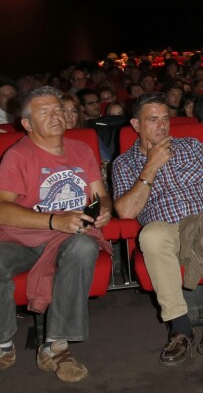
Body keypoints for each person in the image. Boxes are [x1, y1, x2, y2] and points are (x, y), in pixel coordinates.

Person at [111, 93, 203, 367]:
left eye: (165, 118)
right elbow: (127, 211)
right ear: (136, 124)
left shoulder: (191, 146)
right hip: (165, 229)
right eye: (152, 120)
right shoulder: (124, 164)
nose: (162, 126)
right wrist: (151, 165)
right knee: (151, 235)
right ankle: (180, 328)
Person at [0, 86, 114, 382]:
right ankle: (2, 342)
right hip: (23, 239)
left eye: (59, 109)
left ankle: (55, 346)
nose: (56, 116)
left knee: (83, 247)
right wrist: (54, 221)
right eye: (44, 111)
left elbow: (101, 195)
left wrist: (104, 209)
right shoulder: (17, 156)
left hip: (69, 238)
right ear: (27, 124)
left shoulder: (82, 150)